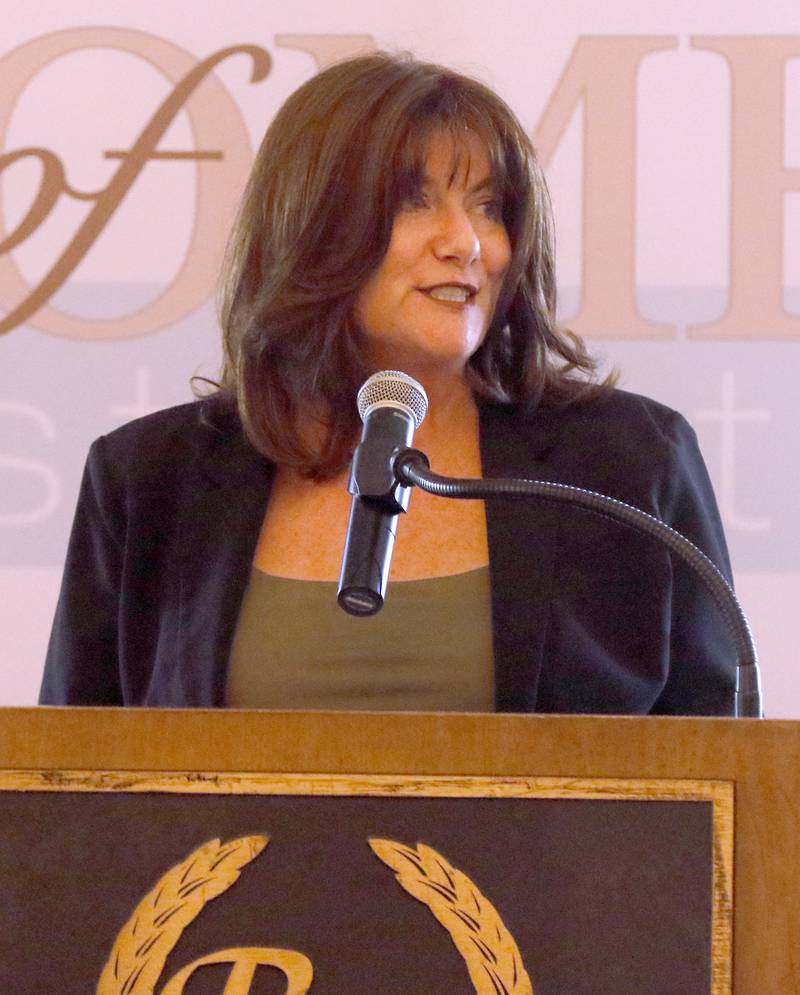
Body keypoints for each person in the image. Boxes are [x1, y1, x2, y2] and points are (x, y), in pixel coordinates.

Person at [39, 52, 736, 714]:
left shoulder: (630, 465)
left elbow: (719, 789)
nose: (466, 242)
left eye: (490, 206)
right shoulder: (147, 480)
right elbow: (67, 794)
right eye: (415, 201)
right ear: (311, 224)